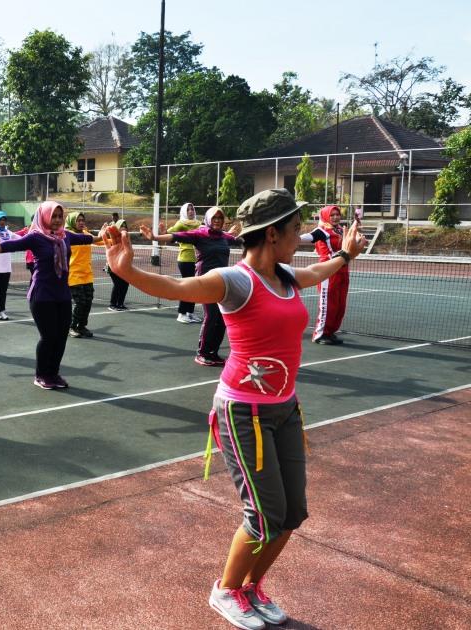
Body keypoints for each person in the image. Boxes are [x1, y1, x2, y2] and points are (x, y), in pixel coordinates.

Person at [104, 188, 367, 630]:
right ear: (271, 234)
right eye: (294, 228)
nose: (299, 235)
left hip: (286, 409)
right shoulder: (234, 280)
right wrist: (125, 269)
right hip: (243, 412)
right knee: (263, 515)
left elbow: (319, 271)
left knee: (292, 514)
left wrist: (344, 255)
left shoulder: (284, 275)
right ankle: (225, 590)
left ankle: (250, 587)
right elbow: (175, 287)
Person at [0, 201, 100, 388]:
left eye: (60, 216)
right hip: (42, 295)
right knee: (49, 337)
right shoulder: (35, 237)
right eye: (54, 216)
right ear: (44, 216)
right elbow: (10, 245)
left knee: (60, 338)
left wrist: (107, 235)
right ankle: (41, 375)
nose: (58, 220)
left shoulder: (65, 236)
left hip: (62, 294)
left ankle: (54, 373)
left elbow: (87, 239)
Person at [141, 207, 241, 366]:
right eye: (214, 218)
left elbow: (240, 240)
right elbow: (176, 236)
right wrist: (155, 236)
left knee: (221, 318)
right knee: (212, 316)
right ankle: (202, 353)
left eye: (220, 218)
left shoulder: (224, 237)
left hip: (223, 282)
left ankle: (213, 353)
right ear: (208, 219)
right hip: (205, 282)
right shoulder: (199, 234)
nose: (217, 220)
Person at [301, 205, 351, 345]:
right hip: (327, 272)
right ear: (326, 216)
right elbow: (308, 237)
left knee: (340, 305)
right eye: (332, 215)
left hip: (343, 270)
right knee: (328, 305)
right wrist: (289, 238)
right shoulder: (322, 231)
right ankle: (320, 334)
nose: (335, 217)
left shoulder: (341, 230)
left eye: (337, 214)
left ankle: (330, 332)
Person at [168, 202, 203, 324]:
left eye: (192, 209)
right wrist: (163, 231)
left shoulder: (199, 224)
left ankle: (190, 312)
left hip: (197, 260)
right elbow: (170, 233)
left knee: (194, 287)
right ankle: (181, 313)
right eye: (188, 210)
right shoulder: (181, 223)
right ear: (184, 212)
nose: (191, 211)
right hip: (185, 259)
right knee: (187, 286)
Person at [65, 211, 97, 338]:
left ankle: (82, 326)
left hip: (87, 274)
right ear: (72, 221)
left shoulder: (86, 234)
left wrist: (112, 236)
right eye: (78, 220)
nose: (81, 222)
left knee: (88, 301)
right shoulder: (67, 235)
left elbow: (99, 240)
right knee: (80, 302)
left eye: (83, 220)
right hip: (74, 274)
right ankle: (71, 327)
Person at [105, 219, 131, 311]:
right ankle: (112, 304)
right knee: (118, 284)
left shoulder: (126, 239)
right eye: (121, 227)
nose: (124, 228)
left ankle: (120, 304)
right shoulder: (113, 239)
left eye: (125, 226)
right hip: (112, 267)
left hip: (123, 267)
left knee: (125, 284)